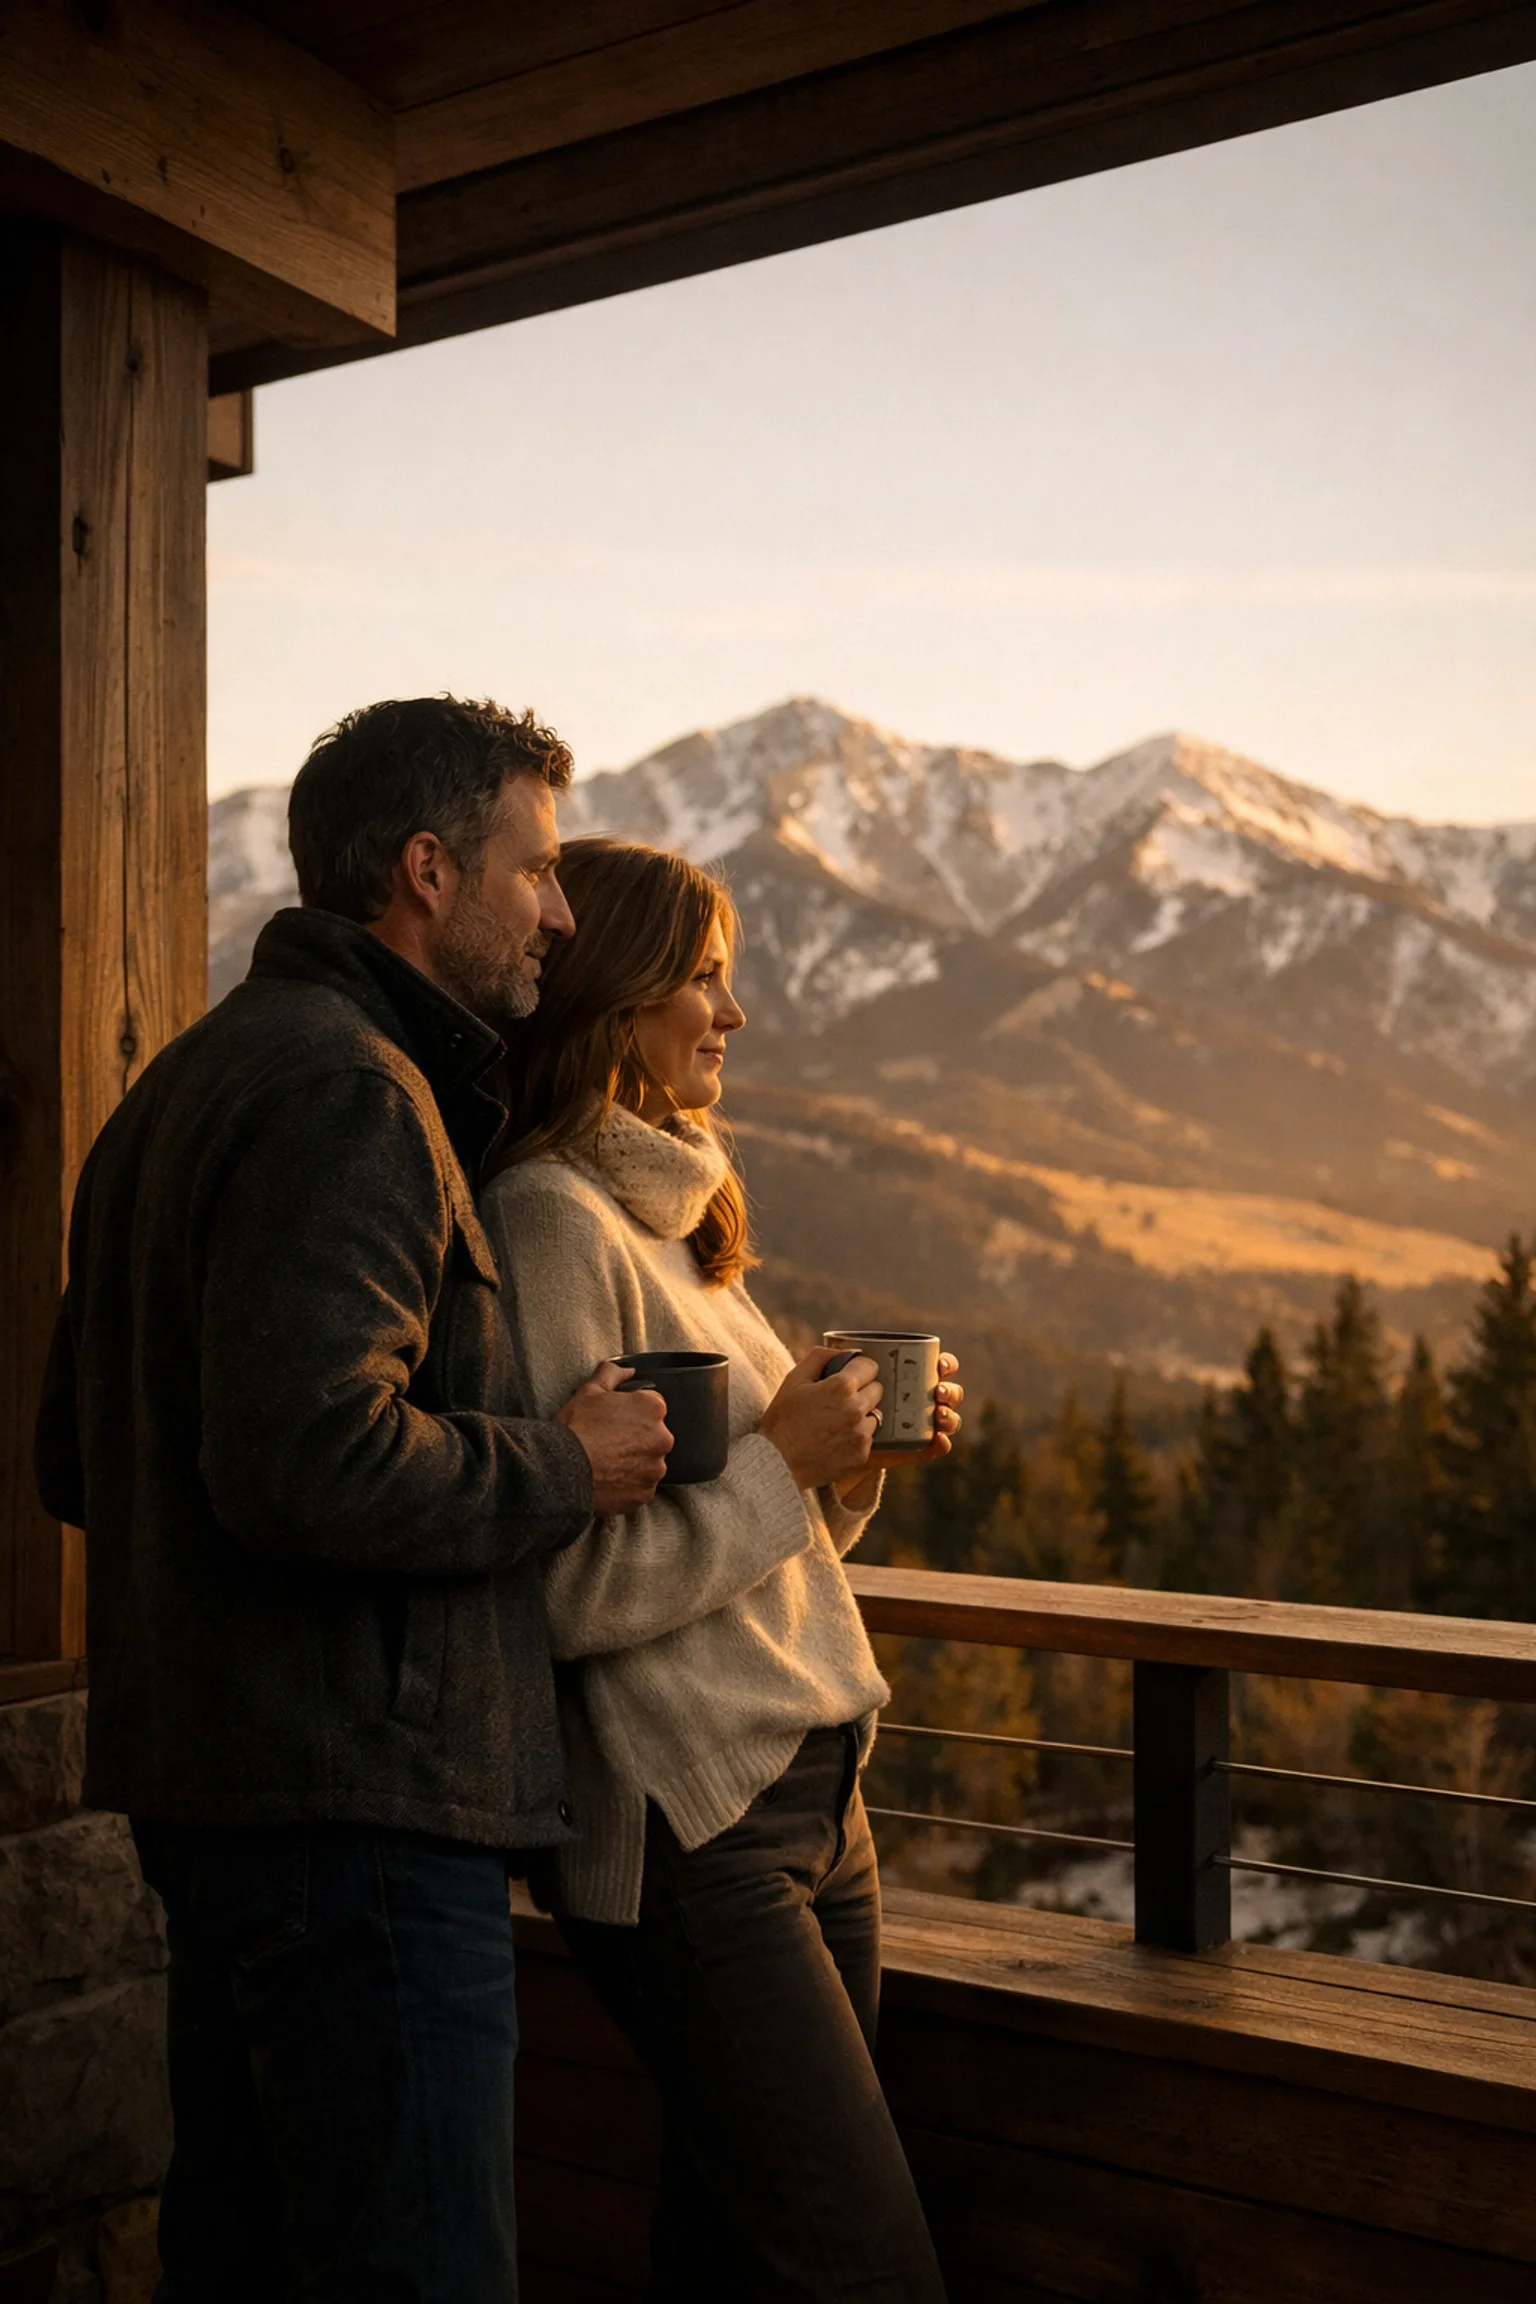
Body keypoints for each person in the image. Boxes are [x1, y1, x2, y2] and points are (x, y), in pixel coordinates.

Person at [33, 699, 673, 2304]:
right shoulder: (359, 1096)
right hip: (363, 1823)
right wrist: (563, 1462)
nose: (562, 913)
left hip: (229, 1800)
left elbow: (68, 1458)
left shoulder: (181, 1089)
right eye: (535, 872)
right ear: (425, 869)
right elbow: (309, 1457)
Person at [480, 836, 963, 2304]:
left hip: (821, 1792)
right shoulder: (553, 1221)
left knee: (743, 2236)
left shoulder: (682, 1224)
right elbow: (571, 1591)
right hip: (701, 1828)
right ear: (621, 1002)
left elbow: (766, 1543)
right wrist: (789, 1463)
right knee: (858, 2261)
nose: (731, 1014)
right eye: (703, 978)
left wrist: (854, 1464)